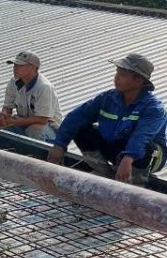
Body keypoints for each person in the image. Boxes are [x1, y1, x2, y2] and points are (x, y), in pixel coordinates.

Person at [47, 53, 166, 185]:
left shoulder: (153, 108)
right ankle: (104, 173)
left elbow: (142, 137)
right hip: (117, 148)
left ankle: (135, 181)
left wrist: (128, 158)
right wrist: (60, 144)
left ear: (138, 81)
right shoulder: (107, 98)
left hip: (144, 157)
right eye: (117, 73)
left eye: (122, 75)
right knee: (82, 129)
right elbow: (77, 116)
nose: (116, 78)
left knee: (145, 147)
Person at [0, 50, 62, 141]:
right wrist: (4, 116)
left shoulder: (44, 87)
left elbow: (42, 119)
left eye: (20, 66)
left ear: (33, 68)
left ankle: (36, 147)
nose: (15, 68)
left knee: (34, 130)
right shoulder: (13, 82)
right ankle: (17, 140)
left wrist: (17, 122)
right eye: (14, 65)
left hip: (48, 126)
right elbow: (7, 106)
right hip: (24, 120)